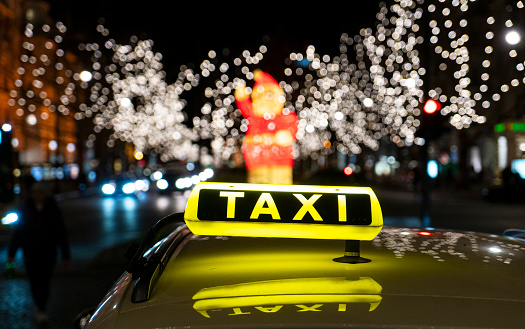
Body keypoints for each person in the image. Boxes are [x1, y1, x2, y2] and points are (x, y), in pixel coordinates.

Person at [6, 182, 71, 326]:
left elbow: (61, 232)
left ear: (44, 194)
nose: (37, 196)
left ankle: (41, 307)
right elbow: (19, 233)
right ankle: (40, 307)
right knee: (35, 281)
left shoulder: (52, 209)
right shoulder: (26, 208)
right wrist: (11, 254)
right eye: (35, 193)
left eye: (39, 193)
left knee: (45, 281)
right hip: (31, 253)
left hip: (48, 253)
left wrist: (66, 255)